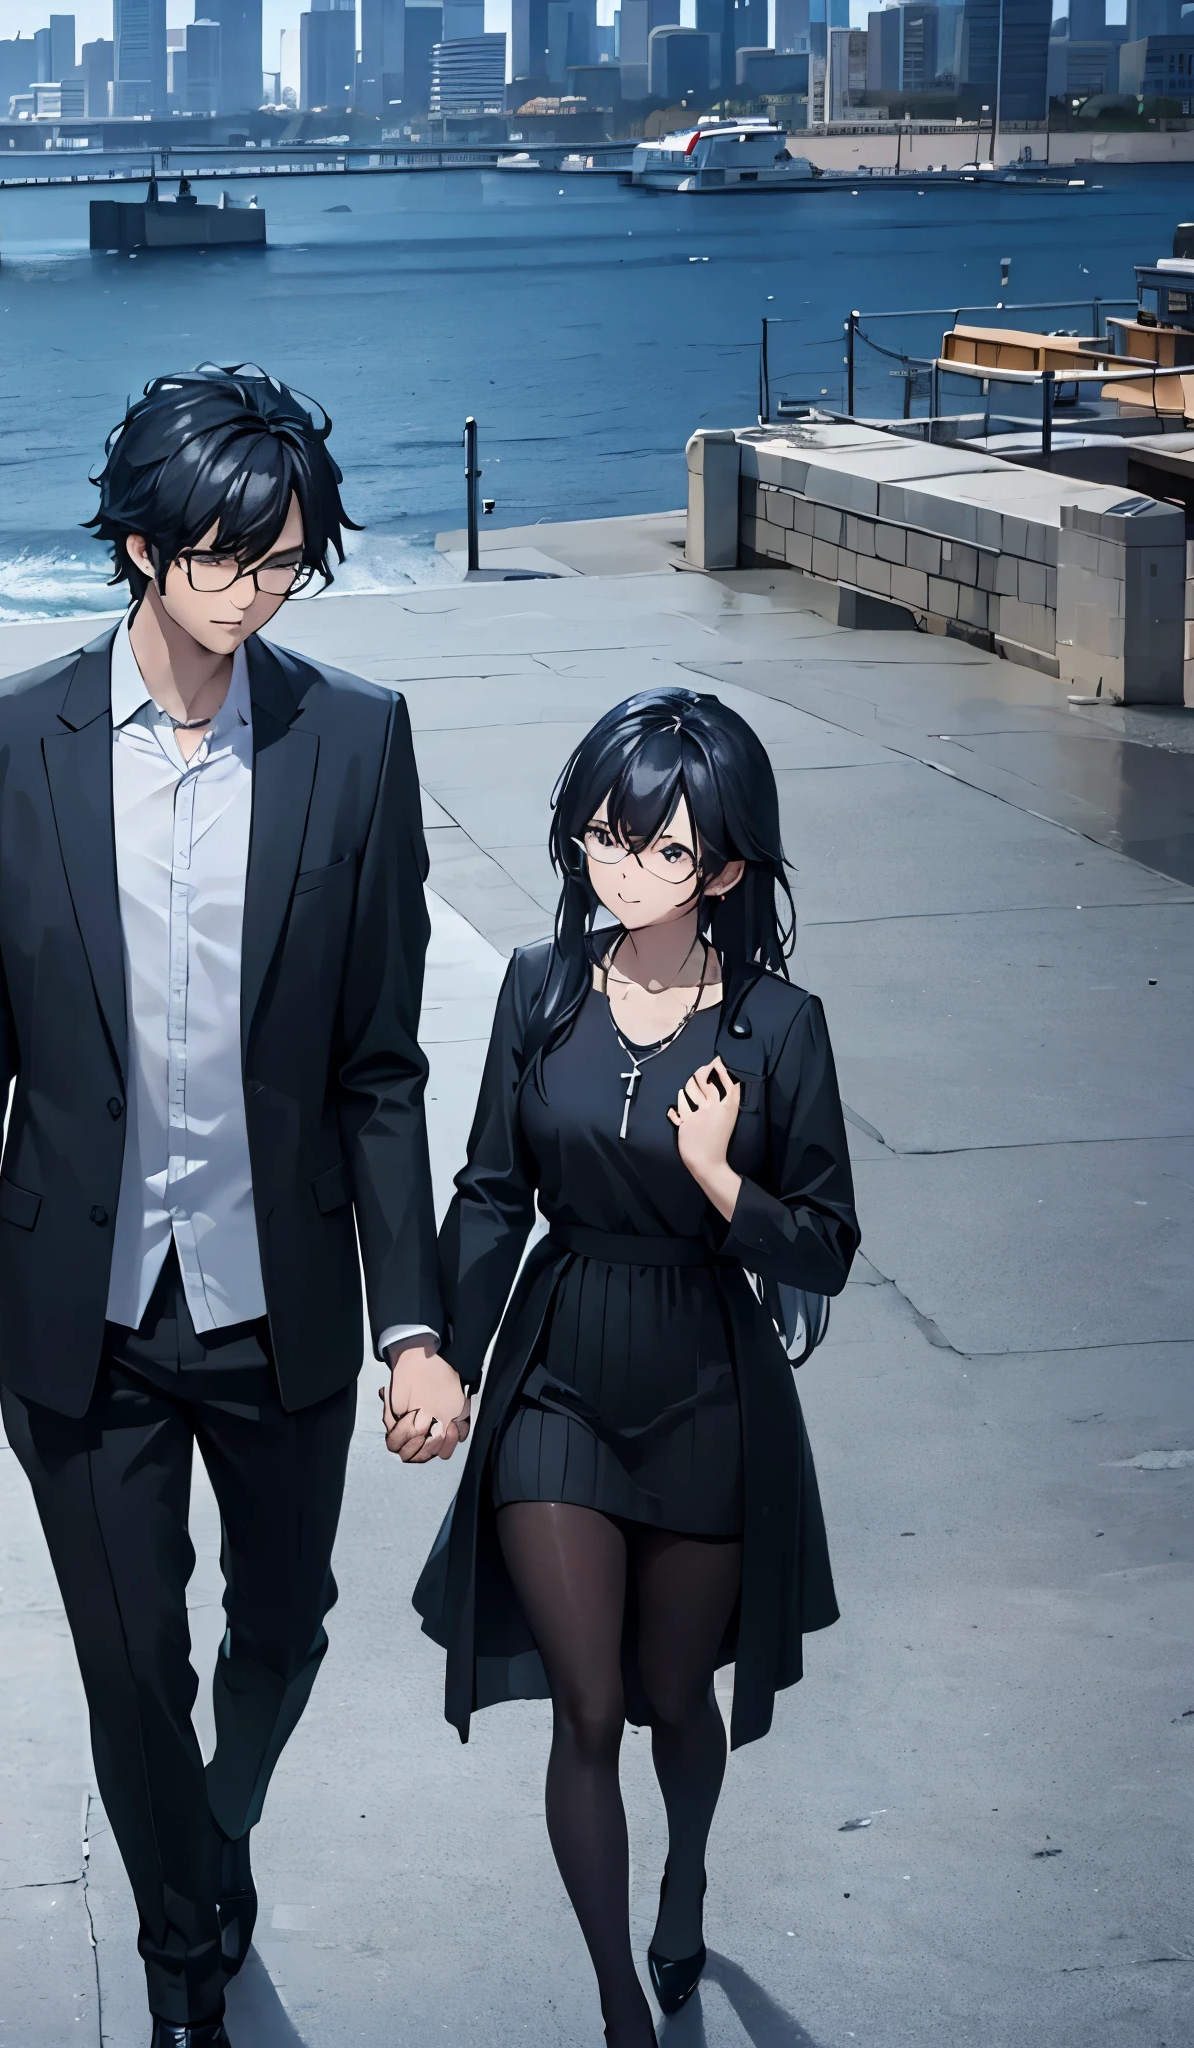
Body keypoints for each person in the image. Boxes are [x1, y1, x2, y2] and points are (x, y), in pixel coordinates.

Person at [0, 364, 465, 2048]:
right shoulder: (6, 745)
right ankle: (183, 1953)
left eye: (287, 566)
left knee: (283, 1633)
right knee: (131, 1668)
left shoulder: (357, 743)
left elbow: (380, 1068)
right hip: (89, 1315)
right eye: (232, 560)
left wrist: (414, 1320)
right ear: (143, 548)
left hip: (281, 1301)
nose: (259, 594)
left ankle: (212, 1835)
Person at [414, 688, 860, 2046]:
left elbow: (830, 1247)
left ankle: (685, 1876)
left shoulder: (781, 1026)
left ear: (725, 868)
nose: (624, 869)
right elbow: (492, 1192)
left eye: (665, 851)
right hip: (557, 1373)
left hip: (705, 1386)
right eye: (607, 837)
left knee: (676, 1698)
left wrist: (725, 1183)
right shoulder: (539, 991)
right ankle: (621, 2006)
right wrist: (437, 1349)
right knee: (588, 1703)